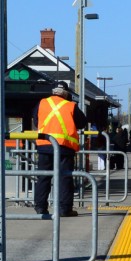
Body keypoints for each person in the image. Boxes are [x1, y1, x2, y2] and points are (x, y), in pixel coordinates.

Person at [34, 82, 86, 216]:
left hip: (44, 145)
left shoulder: (42, 103)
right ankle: (65, 209)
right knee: (65, 178)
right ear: (66, 94)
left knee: (43, 177)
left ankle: (40, 207)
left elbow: (36, 121)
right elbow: (82, 123)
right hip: (64, 147)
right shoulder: (71, 106)